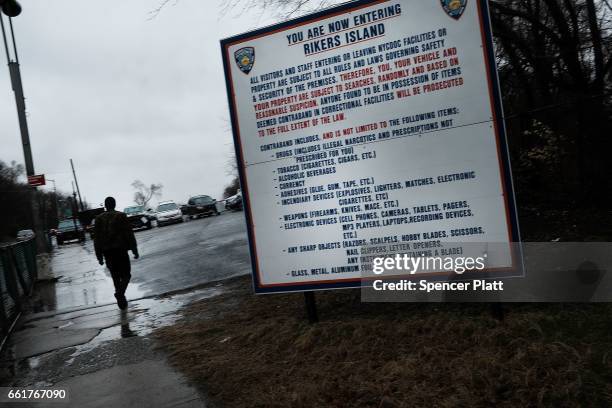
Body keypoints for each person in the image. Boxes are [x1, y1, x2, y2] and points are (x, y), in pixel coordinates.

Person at [93, 197, 139, 309]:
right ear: (114, 204)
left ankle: (121, 300)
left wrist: (99, 256)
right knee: (126, 275)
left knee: (115, 276)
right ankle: (120, 294)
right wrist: (134, 250)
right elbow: (129, 233)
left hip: (107, 252)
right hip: (121, 250)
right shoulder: (121, 216)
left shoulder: (98, 219)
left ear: (105, 205)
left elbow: (96, 239)